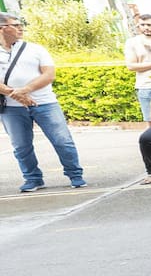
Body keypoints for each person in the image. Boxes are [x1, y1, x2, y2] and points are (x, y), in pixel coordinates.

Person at [0, 13, 87, 192]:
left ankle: (75, 175)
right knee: (21, 145)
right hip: (11, 108)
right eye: (14, 24)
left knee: (62, 140)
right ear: (2, 29)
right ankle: (32, 178)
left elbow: (49, 74)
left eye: (20, 23)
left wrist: (25, 90)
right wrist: (14, 94)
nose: (20, 27)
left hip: (45, 103)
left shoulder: (35, 49)